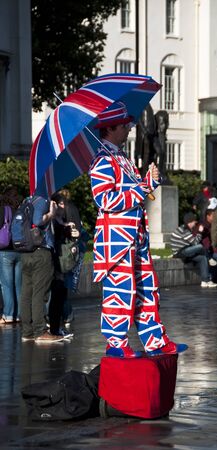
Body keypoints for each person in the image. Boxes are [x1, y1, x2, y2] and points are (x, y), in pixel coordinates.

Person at [89, 102, 187, 358]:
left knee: (145, 288)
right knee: (120, 291)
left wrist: (148, 182)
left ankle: (155, 341)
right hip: (117, 239)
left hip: (135, 236)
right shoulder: (102, 160)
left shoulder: (121, 158)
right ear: (110, 129)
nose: (129, 129)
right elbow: (105, 200)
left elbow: (133, 194)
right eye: (123, 125)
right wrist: (142, 188)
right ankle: (116, 343)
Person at [20, 195, 65, 342]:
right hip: (41, 251)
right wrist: (51, 214)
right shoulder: (42, 201)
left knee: (26, 293)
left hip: (26, 252)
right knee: (39, 293)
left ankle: (27, 332)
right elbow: (38, 221)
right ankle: (40, 331)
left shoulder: (26, 201)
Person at [48, 192, 81, 337]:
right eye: (59, 204)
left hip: (64, 262)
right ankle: (54, 327)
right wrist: (67, 229)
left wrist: (73, 232)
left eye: (63, 204)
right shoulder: (54, 220)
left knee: (61, 294)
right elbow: (55, 238)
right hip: (56, 262)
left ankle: (58, 325)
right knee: (57, 294)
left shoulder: (62, 219)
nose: (63, 206)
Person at [170, 212, 217, 288]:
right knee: (200, 246)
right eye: (194, 222)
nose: (195, 224)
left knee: (202, 258)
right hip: (180, 252)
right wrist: (199, 232)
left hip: (185, 250)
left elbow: (193, 242)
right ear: (190, 222)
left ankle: (205, 280)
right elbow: (195, 242)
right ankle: (210, 258)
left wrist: (199, 233)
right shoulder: (183, 230)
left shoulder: (186, 229)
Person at [0, 187, 22, 324]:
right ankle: (19, 314)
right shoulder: (20, 210)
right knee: (18, 285)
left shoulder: (3, 209)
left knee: (6, 285)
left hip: (5, 251)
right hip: (20, 250)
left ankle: (8, 314)